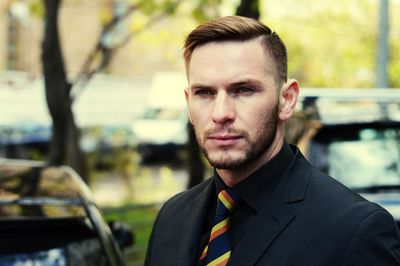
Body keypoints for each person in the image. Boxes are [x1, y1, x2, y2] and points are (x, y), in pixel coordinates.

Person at [144, 16, 400, 266]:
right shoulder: (171, 217)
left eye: (243, 90)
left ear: (287, 99)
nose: (221, 113)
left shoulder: (355, 230)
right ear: (189, 102)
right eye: (205, 93)